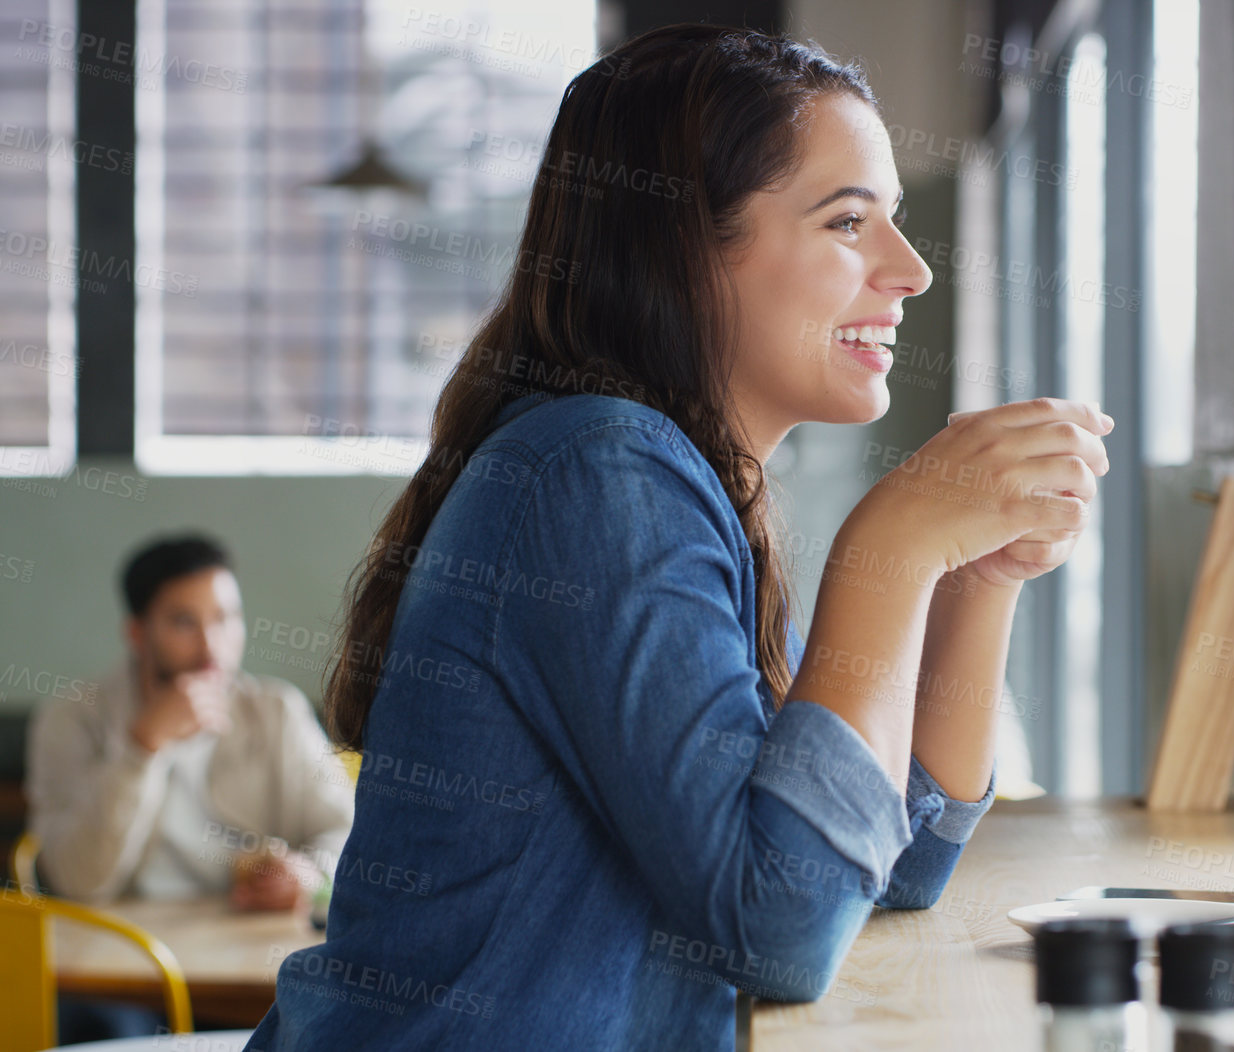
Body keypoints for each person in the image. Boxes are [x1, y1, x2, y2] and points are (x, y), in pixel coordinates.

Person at [247, 24, 1110, 1051]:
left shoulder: (662, 474)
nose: (911, 270)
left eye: (897, 220)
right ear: (687, 250)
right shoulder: (603, 470)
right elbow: (784, 922)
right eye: (847, 222)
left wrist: (978, 578)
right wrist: (890, 546)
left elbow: (876, 869)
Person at [26, 534, 355, 908]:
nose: (211, 646)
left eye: (225, 618)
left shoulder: (276, 711)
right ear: (137, 633)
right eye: (184, 622)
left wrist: (310, 873)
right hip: (120, 945)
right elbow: (76, 883)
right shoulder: (71, 719)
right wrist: (141, 747)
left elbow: (345, 829)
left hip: (250, 942)